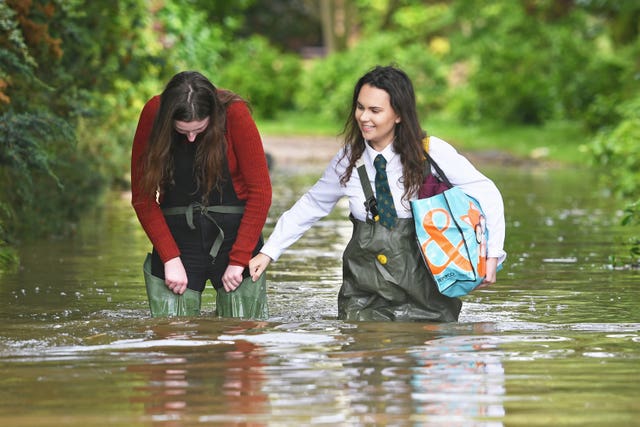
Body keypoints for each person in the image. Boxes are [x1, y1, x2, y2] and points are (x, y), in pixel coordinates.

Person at [249, 65, 506, 322]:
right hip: (362, 299)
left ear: (399, 115)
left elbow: (487, 192)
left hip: (428, 299)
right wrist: (269, 251)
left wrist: (491, 256)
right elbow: (311, 206)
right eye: (360, 107)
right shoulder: (348, 160)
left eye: (375, 110)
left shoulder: (431, 152)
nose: (363, 117)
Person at [131, 71, 272, 317]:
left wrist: (239, 260)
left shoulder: (235, 114)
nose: (192, 138)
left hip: (235, 238)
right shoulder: (153, 114)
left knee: (243, 337)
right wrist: (170, 258)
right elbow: (142, 198)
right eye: (183, 131)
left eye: (199, 129)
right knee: (169, 337)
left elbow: (261, 193)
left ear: (213, 115)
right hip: (177, 239)